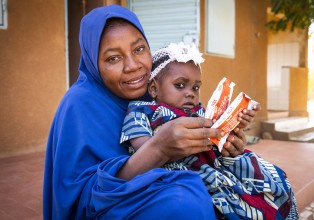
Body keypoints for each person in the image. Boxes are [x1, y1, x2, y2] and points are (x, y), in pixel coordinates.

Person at [43, 4, 259, 220]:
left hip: (179, 177)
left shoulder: (152, 91)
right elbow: (79, 200)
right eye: (113, 58)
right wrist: (159, 148)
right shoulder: (79, 105)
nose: (132, 66)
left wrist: (226, 144)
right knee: (185, 203)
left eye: (139, 49)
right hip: (111, 205)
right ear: (94, 63)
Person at [120, 42, 299, 219]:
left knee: (272, 178)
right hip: (177, 174)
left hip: (213, 165)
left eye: (195, 87)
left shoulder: (199, 112)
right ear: (154, 88)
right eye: (180, 85)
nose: (190, 93)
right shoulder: (142, 110)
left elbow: (217, 136)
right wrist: (171, 143)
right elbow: (142, 148)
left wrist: (235, 124)